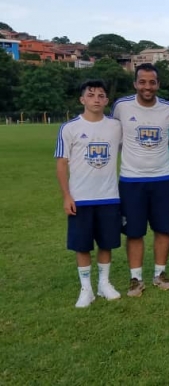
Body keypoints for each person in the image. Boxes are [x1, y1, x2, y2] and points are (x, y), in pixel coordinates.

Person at [111, 63, 169, 296]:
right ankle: (135, 279)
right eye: (142, 81)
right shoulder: (121, 106)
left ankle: (160, 274)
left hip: (163, 178)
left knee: (163, 229)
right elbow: (112, 136)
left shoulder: (168, 109)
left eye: (152, 82)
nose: (147, 87)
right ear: (135, 83)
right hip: (131, 179)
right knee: (134, 232)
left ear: (158, 84)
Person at [55, 80, 123, 307]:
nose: (96, 99)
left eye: (101, 95)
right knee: (82, 245)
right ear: (82, 99)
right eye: (91, 94)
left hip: (109, 196)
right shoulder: (69, 128)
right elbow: (62, 164)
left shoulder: (115, 126)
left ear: (106, 100)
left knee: (106, 243)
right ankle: (86, 289)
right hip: (81, 197)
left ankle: (104, 283)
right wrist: (66, 195)